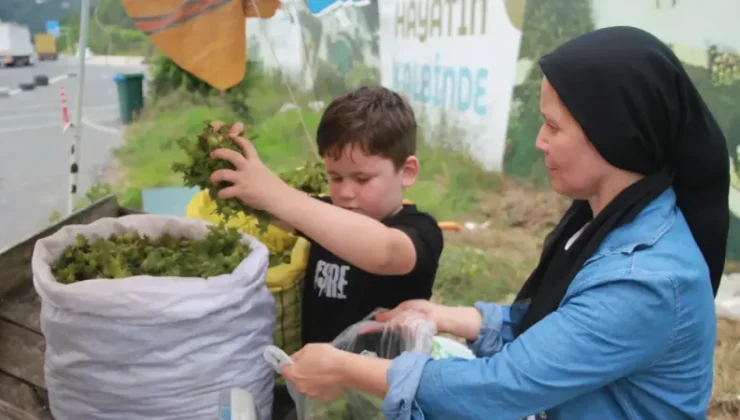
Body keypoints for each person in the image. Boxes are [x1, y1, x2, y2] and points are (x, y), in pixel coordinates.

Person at [278, 26, 731, 419]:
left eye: (553, 127)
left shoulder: (643, 281)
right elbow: (546, 326)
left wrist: (347, 368)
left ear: (612, 133)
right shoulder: (605, 222)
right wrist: (446, 316)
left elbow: (500, 387)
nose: (539, 142)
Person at [209, 86, 445, 345]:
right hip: (314, 379)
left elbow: (385, 252)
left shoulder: (421, 231)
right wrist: (224, 161)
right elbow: (261, 205)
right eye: (335, 177)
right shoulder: (325, 215)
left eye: (362, 178)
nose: (345, 192)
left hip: (383, 382)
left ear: (407, 171)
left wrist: (278, 194)